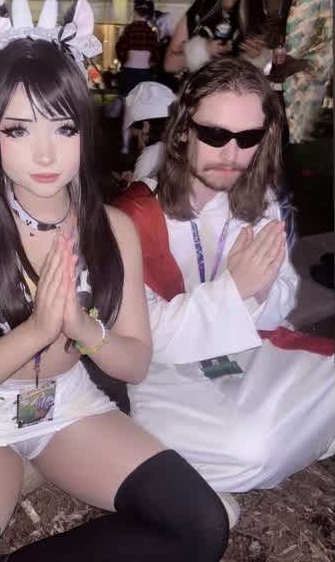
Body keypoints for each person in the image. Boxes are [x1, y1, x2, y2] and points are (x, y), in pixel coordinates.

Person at [0, 0, 231, 562]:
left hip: (68, 405)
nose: (46, 155)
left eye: (64, 128)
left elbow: (134, 363)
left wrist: (80, 326)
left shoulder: (113, 229)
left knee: (200, 525)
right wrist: (36, 331)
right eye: (19, 130)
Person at [114, 57, 335, 509]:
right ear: (183, 131)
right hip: (163, 373)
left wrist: (260, 292)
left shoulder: (259, 200)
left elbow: (282, 300)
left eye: (248, 138)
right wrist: (234, 290)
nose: (232, 154)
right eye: (215, 135)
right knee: (251, 450)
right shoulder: (132, 215)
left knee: (265, 435)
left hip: (243, 349)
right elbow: (140, 337)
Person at [248, 0, 333, 144]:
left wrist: (298, 64)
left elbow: (327, 46)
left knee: (292, 153)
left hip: (298, 102)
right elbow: (247, 44)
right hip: (258, 94)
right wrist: (262, 40)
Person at [164, 0, 262, 76]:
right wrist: (204, 50)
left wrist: (253, 56)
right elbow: (169, 64)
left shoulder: (241, 22)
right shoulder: (195, 17)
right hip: (198, 85)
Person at [115, 0, 159, 154]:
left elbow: (120, 50)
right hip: (145, 75)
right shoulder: (151, 33)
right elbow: (156, 57)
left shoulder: (129, 30)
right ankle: (143, 144)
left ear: (135, 12)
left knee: (127, 113)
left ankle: (125, 147)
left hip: (129, 74)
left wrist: (124, 59)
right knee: (144, 112)